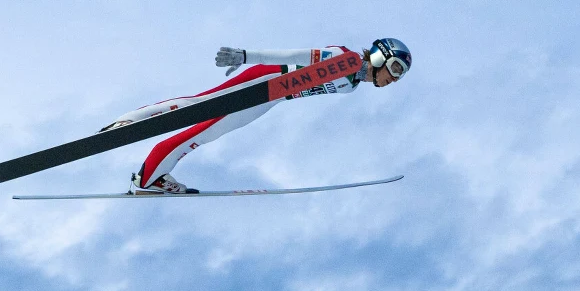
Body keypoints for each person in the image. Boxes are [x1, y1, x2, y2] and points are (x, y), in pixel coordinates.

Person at [98, 38, 412, 194]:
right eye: (395, 68)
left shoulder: (351, 85)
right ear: (380, 54)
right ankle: (131, 122)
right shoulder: (346, 60)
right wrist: (248, 57)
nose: (393, 79)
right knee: (201, 105)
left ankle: (152, 177)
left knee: (209, 130)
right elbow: (298, 56)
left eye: (400, 75)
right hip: (268, 79)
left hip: (274, 96)